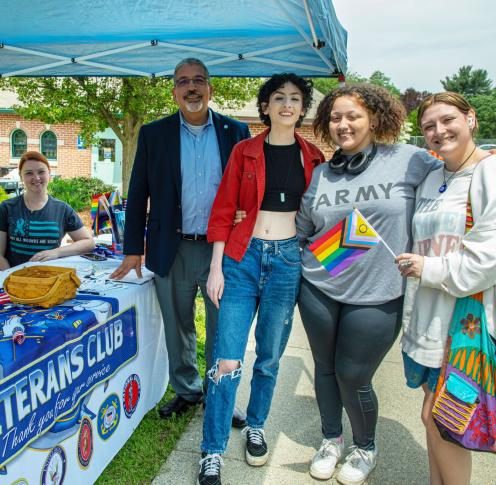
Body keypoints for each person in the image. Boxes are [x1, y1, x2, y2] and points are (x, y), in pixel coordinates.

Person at [396, 92, 496, 485]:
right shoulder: (434, 177)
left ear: (471, 119)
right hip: (432, 318)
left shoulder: (495, 172)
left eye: (448, 120)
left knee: (442, 419)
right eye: (428, 126)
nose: (438, 131)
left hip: (469, 323)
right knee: (435, 420)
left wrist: (428, 267)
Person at [296, 84, 442, 485]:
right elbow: (304, 230)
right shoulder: (322, 174)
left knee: (353, 374)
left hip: (379, 292)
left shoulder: (410, 160)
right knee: (325, 368)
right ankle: (331, 439)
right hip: (319, 287)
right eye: (336, 118)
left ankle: (365, 447)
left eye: (353, 116)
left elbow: (455, 178)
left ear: (374, 119)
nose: (343, 125)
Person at [197, 73, 324, 485]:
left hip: (288, 262)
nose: (286, 105)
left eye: (294, 98)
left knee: (269, 357)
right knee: (227, 357)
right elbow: (224, 208)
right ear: (265, 107)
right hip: (241, 259)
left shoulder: (314, 157)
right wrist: (216, 267)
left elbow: (324, 216)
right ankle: (212, 450)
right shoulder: (245, 151)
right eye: (277, 98)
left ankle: (256, 425)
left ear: (302, 107)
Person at [110, 58, 250, 422]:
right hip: (171, 248)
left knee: (225, 327)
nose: (191, 87)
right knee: (178, 326)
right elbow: (137, 192)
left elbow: (251, 188)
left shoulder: (235, 132)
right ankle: (188, 390)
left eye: (199, 80)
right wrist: (132, 250)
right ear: (174, 91)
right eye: (183, 82)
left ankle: (221, 394)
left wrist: (245, 212)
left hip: (223, 251)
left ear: (210, 89)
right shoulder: (154, 134)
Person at [0, 151, 94, 270]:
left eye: (41, 172)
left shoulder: (62, 209)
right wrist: (9, 277)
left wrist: (56, 252)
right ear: (21, 176)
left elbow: (88, 242)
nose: (36, 178)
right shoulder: (7, 207)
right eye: (29, 173)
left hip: (48, 279)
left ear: (49, 174)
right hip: (14, 280)